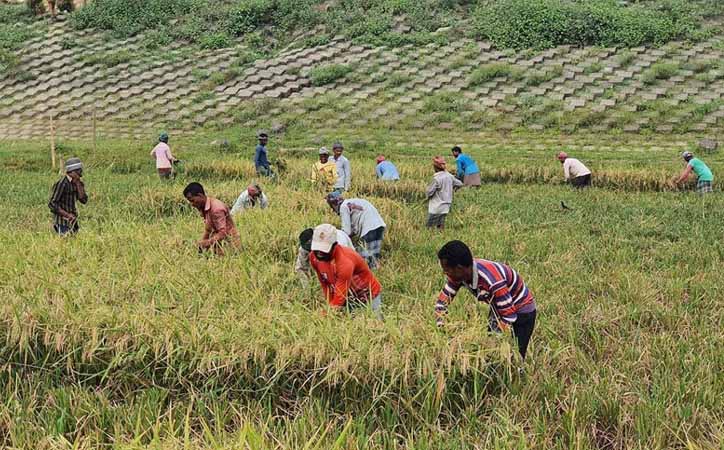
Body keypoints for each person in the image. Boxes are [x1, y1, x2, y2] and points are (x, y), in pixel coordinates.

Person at [435, 240, 537, 360]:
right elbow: (441, 304)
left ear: (459, 268)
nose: (445, 273)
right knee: (490, 353)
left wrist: (495, 339)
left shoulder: (492, 280)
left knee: (516, 354)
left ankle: (518, 373)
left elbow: (509, 315)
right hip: (498, 306)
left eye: (447, 270)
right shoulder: (458, 276)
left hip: (522, 310)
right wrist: (442, 327)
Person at [309, 223, 383, 319]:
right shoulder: (313, 257)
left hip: (368, 295)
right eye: (317, 248)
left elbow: (340, 295)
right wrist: (329, 305)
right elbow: (325, 283)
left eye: (324, 249)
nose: (319, 253)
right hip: (348, 297)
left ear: (334, 245)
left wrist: (326, 314)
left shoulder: (344, 261)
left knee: (375, 325)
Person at [326, 192, 386, 269]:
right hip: (379, 226)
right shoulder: (353, 201)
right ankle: (377, 272)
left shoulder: (343, 207)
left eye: (332, 207)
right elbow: (354, 228)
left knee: (366, 258)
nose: (333, 210)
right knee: (373, 255)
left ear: (334, 204)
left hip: (369, 227)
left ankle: (370, 275)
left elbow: (346, 231)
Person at [183, 182, 240, 255]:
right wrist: (201, 247)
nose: (192, 204)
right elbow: (208, 230)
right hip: (219, 244)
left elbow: (223, 233)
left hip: (230, 245)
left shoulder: (216, 209)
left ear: (200, 195)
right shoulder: (204, 208)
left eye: (192, 200)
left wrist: (207, 243)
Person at [48, 157, 88, 236]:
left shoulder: (78, 183)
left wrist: (78, 184)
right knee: (65, 242)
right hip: (61, 221)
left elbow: (84, 200)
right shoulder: (62, 183)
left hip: (73, 220)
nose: (81, 173)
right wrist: (67, 215)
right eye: (79, 171)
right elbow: (52, 204)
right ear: (72, 172)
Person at [426, 156, 463, 230]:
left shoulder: (436, 179)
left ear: (435, 168)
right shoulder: (450, 176)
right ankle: (441, 235)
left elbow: (429, 192)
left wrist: (427, 197)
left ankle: (433, 238)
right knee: (441, 223)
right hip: (446, 205)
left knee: (430, 227)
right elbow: (460, 184)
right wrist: (454, 189)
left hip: (436, 206)